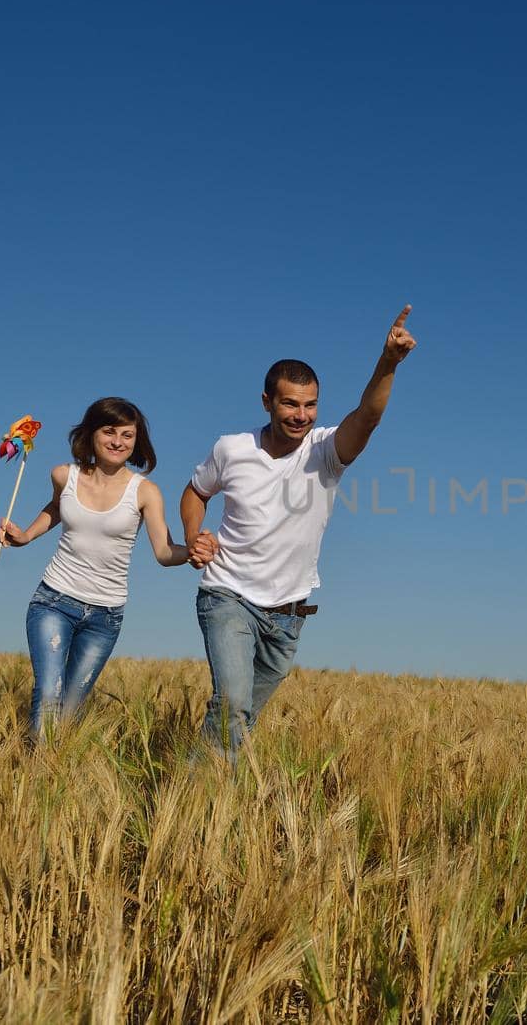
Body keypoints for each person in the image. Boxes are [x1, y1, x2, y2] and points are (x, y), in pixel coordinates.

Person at [181, 305, 418, 757]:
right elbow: (194, 493)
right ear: (267, 401)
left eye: (310, 405)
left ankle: (196, 797)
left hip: (289, 613)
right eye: (290, 403)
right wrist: (195, 535)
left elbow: (367, 417)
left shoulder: (326, 450)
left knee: (240, 719)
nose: (301, 415)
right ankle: (203, 804)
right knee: (231, 704)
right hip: (228, 593)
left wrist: (387, 363)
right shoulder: (231, 448)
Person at [0, 397, 190, 737]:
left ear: (137, 441)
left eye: (127, 435)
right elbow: (57, 508)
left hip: (106, 616)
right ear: (91, 434)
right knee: (49, 695)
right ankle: (36, 776)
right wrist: (25, 535)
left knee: (71, 710)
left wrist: (192, 553)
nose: (118, 442)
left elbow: (163, 551)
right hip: (53, 601)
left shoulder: (145, 492)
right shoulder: (64, 475)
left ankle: (50, 772)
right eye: (109, 431)